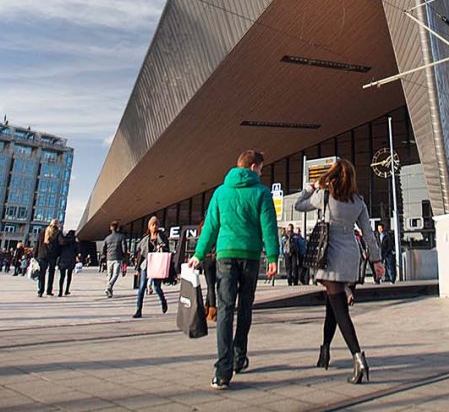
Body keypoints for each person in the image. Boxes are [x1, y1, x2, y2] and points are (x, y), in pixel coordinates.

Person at [187, 149, 279, 391]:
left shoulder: (220, 192)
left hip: (225, 255)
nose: (261, 172)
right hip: (250, 257)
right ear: (252, 167)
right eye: (260, 168)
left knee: (225, 309)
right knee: (245, 306)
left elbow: (211, 226)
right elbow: (268, 225)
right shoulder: (261, 192)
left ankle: (222, 370)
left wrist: (198, 254)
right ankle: (240, 357)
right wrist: (272, 256)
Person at [295, 159, 384, 385]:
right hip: (351, 257)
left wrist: (310, 187)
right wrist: (376, 260)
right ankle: (324, 351)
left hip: (330, 257)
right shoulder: (358, 202)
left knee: (340, 311)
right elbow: (368, 234)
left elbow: (299, 204)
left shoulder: (324, 196)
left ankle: (358, 356)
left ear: (332, 175)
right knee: (332, 310)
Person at [133, 216, 169, 318]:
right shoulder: (145, 239)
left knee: (156, 287)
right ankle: (138, 310)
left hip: (157, 264)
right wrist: (138, 268)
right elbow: (140, 254)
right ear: (149, 227)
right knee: (142, 287)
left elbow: (167, 249)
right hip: (146, 265)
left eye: (156, 224)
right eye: (153, 225)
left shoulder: (162, 237)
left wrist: (161, 247)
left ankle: (163, 301)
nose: (155, 226)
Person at [36, 219, 62, 297]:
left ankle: (40, 291)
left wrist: (35, 255)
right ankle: (49, 291)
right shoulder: (58, 232)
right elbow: (61, 242)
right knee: (51, 273)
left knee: (41, 274)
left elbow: (37, 243)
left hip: (42, 255)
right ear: (57, 224)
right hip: (52, 256)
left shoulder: (42, 231)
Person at [103, 221, 127, 298]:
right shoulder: (121, 237)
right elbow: (124, 248)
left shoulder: (107, 238)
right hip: (118, 257)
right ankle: (109, 287)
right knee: (115, 274)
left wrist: (104, 256)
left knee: (109, 274)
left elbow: (103, 248)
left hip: (109, 258)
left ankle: (109, 291)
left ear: (111, 228)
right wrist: (124, 256)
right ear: (118, 228)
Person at [57, 230, 78, 296]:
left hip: (63, 260)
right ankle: (67, 290)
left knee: (62, 276)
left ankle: (60, 291)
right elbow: (77, 251)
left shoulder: (63, 241)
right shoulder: (75, 242)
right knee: (69, 276)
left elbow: (59, 250)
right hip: (71, 260)